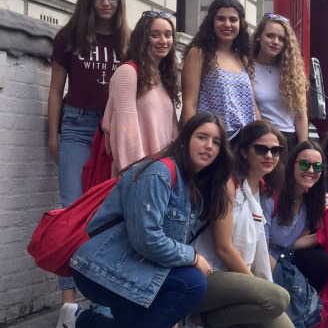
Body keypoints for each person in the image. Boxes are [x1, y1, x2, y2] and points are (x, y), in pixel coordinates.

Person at [67, 112, 232, 327]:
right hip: (102, 270)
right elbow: (147, 239)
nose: (209, 146)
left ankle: (80, 320)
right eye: (202, 137)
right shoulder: (158, 174)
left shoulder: (193, 185)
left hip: (137, 268)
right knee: (192, 283)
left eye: (216, 142)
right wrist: (194, 257)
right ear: (185, 140)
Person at [48, 0, 130, 319]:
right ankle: (68, 301)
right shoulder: (69, 37)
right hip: (78, 126)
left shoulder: (127, 41)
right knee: (70, 211)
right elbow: (55, 90)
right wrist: (53, 135)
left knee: (107, 216)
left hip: (113, 129)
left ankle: (101, 298)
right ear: (89, 0)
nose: (106, 3)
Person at [188, 120, 292, 328]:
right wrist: (256, 286)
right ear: (244, 152)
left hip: (237, 277)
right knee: (276, 299)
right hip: (207, 274)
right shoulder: (228, 183)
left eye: (276, 150)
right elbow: (223, 248)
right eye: (261, 149)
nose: (269, 156)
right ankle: (199, 321)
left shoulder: (259, 188)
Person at [103, 11, 179, 176]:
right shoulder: (128, 73)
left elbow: (173, 133)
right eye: (154, 35)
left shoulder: (164, 77)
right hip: (137, 175)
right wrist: (140, 174)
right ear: (142, 39)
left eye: (168, 35)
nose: (163, 41)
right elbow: (125, 133)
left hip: (162, 174)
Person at [182, 0, 259, 141]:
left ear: (240, 24)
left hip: (244, 142)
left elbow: (253, 106)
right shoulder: (199, 54)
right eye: (221, 19)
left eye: (233, 20)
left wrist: (261, 137)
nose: (227, 24)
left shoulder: (244, 59)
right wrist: (190, 139)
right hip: (213, 140)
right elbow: (189, 104)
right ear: (212, 22)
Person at [262, 141, 328, 292]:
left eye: (317, 166)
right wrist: (289, 282)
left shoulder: (312, 202)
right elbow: (261, 249)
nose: (311, 170)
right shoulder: (271, 197)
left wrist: (324, 234)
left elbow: (293, 243)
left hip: (286, 259)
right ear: (291, 164)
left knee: (322, 261)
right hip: (263, 263)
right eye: (304, 164)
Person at [251, 13, 309, 148]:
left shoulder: (292, 72)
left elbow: (301, 116)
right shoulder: (246, 68)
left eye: (281, 39)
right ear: (259, 36)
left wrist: (303, 149)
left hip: (288, 139)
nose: (275, 42)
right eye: (270, 35)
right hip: (260, 137)